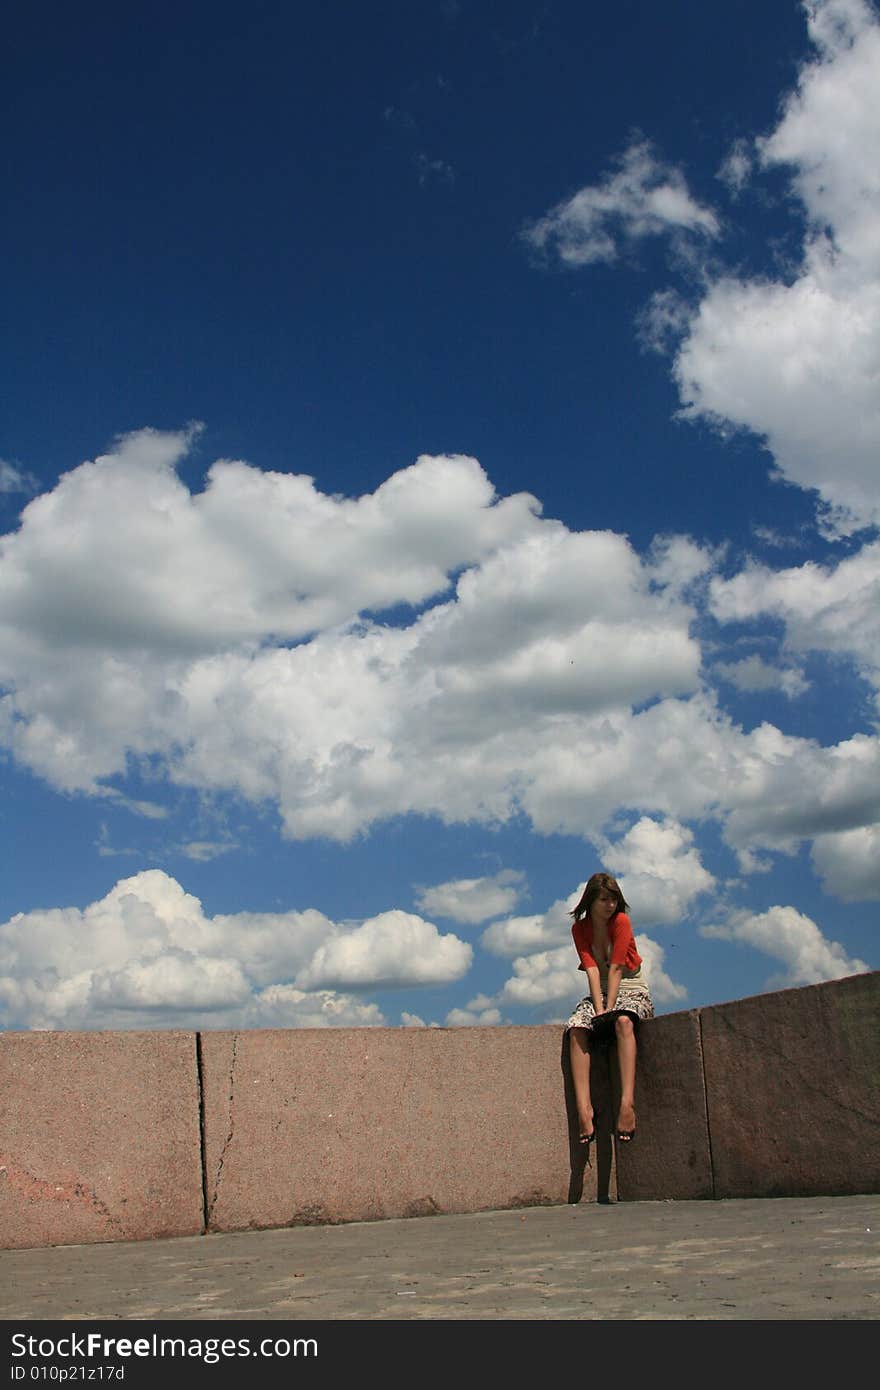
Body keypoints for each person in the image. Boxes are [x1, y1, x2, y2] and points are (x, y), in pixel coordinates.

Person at [564, 871, 654, 1149]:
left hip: (631, 987)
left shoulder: (622, 922)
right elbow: (592, 969)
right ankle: (584, 1111)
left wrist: (609, 1010)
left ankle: (626, 1105)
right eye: (603, 899)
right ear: (590, 901)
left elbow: (616, 968)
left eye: (613, 899)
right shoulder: (580, 929)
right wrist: (599, 1008)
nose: (610, 905)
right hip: (600, 990)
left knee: (623, 1023)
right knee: (577, 1027)